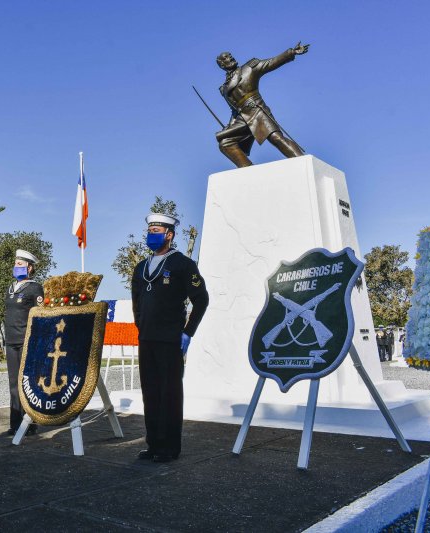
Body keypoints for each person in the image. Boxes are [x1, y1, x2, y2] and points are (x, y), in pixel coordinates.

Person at [131, 214, 209, 463]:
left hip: (170, 339)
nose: (151, 234)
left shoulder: (182, 264)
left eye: (156, 230)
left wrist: (188, 332)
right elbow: (137, 302)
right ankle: (153, 444)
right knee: (150, 393)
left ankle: (169, 447)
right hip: (147, 339)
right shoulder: (140, 267)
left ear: (169, 234)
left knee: (170, 394)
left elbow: (201, 299)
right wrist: (141, 325)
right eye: (149, 230)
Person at [215, 42, 310, 168]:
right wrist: (229, 126)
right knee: (225, 142)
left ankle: (303, 162)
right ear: (222, 64)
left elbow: (271, 63)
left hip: (257, 111)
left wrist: (291, 52)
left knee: (276, 138)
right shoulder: (224, 89)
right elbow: (234, 110)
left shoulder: (249, 68)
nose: (230, 58)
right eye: (226, 57)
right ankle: (248, 169)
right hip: (242, 119)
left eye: (230, 55)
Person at [3, 249, 44, 436]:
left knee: (27, 383)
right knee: (13, 384)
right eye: (15, 263)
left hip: (26, 341)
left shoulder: (34, 288)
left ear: (29, 267)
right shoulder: (10, 289)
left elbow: (39, 315)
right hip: (11, 341)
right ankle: (15, 424)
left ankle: (30, 423)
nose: (16, 267)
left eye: (20, 264)